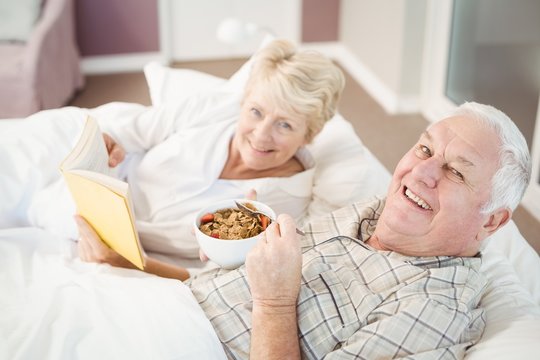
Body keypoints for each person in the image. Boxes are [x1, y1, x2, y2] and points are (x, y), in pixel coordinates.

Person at [79, 101, 532, 358]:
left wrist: (274, 301)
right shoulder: (372, 211)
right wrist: (131, 263)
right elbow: (222, 292)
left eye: (456, 172)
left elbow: (263, 300)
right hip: (159, 307)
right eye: (424, 148)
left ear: (491, 221)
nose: (420, 173)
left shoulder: (432, 306)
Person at [74, 39, 345, 280]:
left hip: (125, 250)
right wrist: (112, 143)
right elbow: (134, 129)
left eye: (284, 125)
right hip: (98, 187)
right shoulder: (215, 109)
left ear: (309, 134)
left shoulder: (284, 207)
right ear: (243, 102)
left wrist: (129, 263)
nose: (261, 135)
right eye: (256, 112)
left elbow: (212, 280)